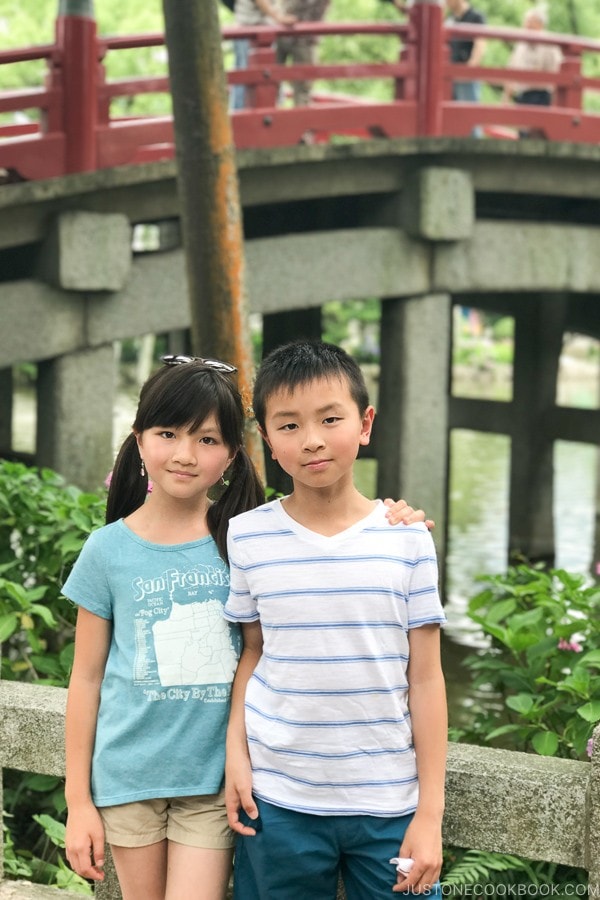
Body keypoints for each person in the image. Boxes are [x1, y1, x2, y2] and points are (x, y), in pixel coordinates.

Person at [63, 353, 429, 900]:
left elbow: (319, 558)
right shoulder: (112, 548)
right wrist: (77, 801)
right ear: (139, 441)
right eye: (167, 434)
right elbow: (86, 678)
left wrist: (396, 519)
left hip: (218, 783)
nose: (186, 454)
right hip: (129, 777)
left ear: (234, 452)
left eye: (208, 440)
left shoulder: (243, 538)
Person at [224, 340, 447, 899]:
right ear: (268, 440)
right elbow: (252, 652)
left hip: (390, 804)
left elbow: (425, 678)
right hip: (278, 801)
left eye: (330, 418)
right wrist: (236, 757)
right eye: (290, 425)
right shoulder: (248, 535)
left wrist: (430, 814)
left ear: (365, 423)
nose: (313, 440)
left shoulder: (408, 539)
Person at [231, 0, 297, 111]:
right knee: (246, 76)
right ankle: (240, 116)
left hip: (260, 31)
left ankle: (248, 114)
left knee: (257, 76)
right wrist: (278, 17)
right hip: (250, 30)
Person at [504, 6, 562, 128]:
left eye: (531, 22)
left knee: (537, 132)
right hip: (522, 94)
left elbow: (558, 75)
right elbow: (511, 72)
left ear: (541, 25)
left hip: (542, 95)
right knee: (523, 131)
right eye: (526, 22)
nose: (527, 26)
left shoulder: (550, 46)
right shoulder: (521, 45)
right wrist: (505, 100)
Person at [275, 1, 330, 108]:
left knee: (303, 87)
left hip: (305, 37)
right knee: (271, 83)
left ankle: (300, 120)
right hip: (285, 31)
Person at [445, 0, 486, 104]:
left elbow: (480, 45)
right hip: (449, 73)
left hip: (465, 73)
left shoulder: (476, 17)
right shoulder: (450, 19)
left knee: (468, 113)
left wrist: (469, 69)